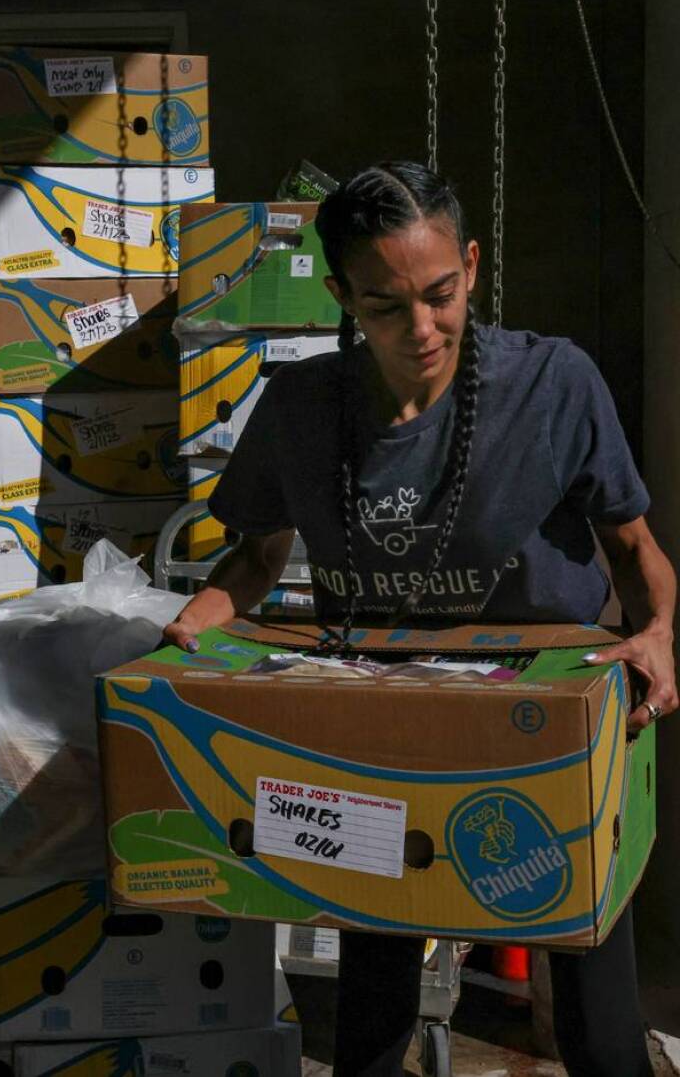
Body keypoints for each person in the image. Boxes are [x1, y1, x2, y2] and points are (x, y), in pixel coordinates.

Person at [163, 161, 677, 1076]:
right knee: (371, 996)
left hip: (543, 726)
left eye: (440, 294)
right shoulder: (302, 407)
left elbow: (637, 551)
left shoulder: (553, 383)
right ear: (341, 296)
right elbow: (256, 557)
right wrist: (190, 628)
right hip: (378, 724)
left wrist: (657, 637)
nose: (423, 327)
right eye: (385, 306)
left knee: (597, 1010)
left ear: (472, 266)